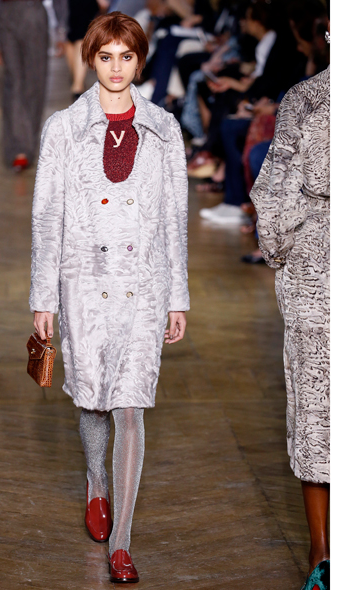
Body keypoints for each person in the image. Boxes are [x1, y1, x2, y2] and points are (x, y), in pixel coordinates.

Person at [30, 11, 189, 583]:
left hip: (144, 282)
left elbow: (174, 219)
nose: (116, 68)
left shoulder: (164, 129)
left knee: (130, 404)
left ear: (140, 61)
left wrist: (178, 295)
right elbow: (47, 218)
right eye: (105, 56)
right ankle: (96, 480)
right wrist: (43, 296)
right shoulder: (63, 129)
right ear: (90, 59)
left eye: (127, 56)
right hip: (83, 280)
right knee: (93, 398)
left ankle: (122, 542)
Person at [249, 13, 330, 590]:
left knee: (317, 413)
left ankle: (321, 557)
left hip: (317, 267)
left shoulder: (307, 100)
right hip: (317, 264)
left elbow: (275, 197)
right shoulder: (304, 99)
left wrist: (280, 251)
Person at [0, 0, 66, 171]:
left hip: (31, 13)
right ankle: (19, 148)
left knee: (32, 82)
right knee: (15, 81)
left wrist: (61, 28)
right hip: (9, 14)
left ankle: (24, 146)